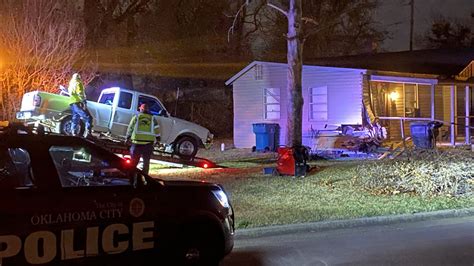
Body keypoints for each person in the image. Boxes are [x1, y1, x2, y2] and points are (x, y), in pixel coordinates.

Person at [126, 103, 160, 175]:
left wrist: (127, 137)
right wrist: (158, 139)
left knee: (133, 163)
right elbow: (157, 129)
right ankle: (145, 179)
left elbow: (130, 128)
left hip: (136, 144)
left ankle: (132, 177)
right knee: (146, 163)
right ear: (148, 110)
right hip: (148, 144)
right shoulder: (152, 118)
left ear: (141, 109)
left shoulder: (136, 117)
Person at [68, 73, 92, 138]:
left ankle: (73, 132)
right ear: (79, 78)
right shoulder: (78, 83)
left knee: (75, 117)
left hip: (72, 103)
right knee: (88, 117)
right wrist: (84, 101)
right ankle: (88, 134)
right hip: (78, 103)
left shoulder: (71, 84)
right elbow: (80, 93)